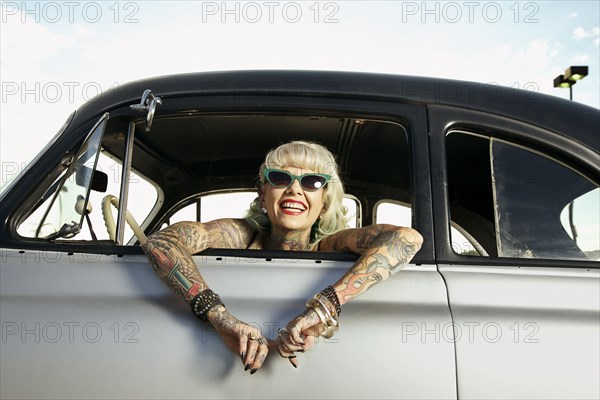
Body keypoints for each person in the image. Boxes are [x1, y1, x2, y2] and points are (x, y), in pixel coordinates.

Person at [142, 140, 423, 374]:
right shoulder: (241, 235)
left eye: (312, 182)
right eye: (280, 178)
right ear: (263, 195)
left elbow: (408, 239)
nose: (295, 189)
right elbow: (161, 241)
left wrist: (322, 310)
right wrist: (220, 318)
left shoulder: (330, 247)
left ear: (324, 203)